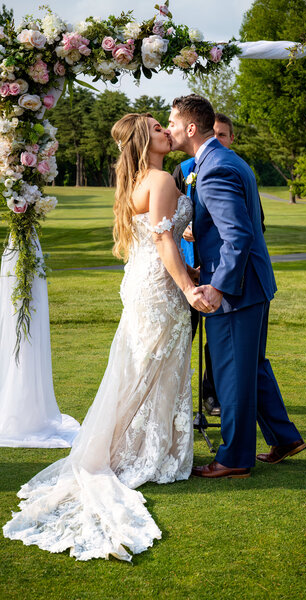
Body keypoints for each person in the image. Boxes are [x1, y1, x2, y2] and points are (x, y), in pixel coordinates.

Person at [3, 113, 213, 562]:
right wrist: (189, 287)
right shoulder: (157, 179)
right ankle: (149, 455)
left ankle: (147, 449)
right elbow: (163, 242)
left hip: (145, 282)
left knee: (146, 367)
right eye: (158, 128)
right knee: (150, 368)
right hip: (158, 286)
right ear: (145, 139)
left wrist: (187, 273)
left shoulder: (139, 179)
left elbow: (161, 240)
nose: (165, 131)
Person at [167, 95, 306, 479]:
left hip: (238, 289)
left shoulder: (213, 169)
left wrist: (220, 287)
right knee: (251, 368)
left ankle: (234, 458)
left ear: (191, 128)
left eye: (173, 123)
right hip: (254, 285)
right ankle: (284, 437)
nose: (170, 129)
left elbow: (239, 235)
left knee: (231, 374)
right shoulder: (224, 160)